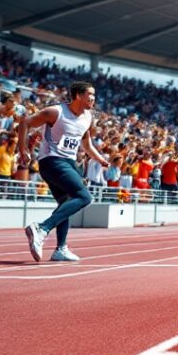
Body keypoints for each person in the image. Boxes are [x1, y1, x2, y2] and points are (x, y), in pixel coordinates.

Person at [19, 82, 109, 262]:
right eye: (90, 94)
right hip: (52, 161)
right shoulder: (55, 112)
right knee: (84, 197)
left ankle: (60, 248)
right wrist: (23, 149)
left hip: (69, 162)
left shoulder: (87, 117)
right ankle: (42, 228)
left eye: (94, 95)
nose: (93, 99)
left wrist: (99, 159)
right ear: (77, 95)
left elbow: (86, 144)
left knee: (65, 202)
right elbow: (25, 123)